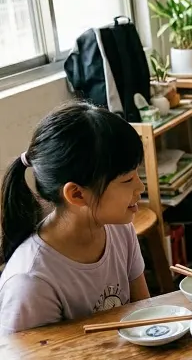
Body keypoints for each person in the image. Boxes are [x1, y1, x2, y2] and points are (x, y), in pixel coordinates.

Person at [0, 102, 150, 334]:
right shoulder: (31, 281)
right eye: (127, 180)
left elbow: (145, 314)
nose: (140, 187)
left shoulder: (119, 229)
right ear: (77, 194)